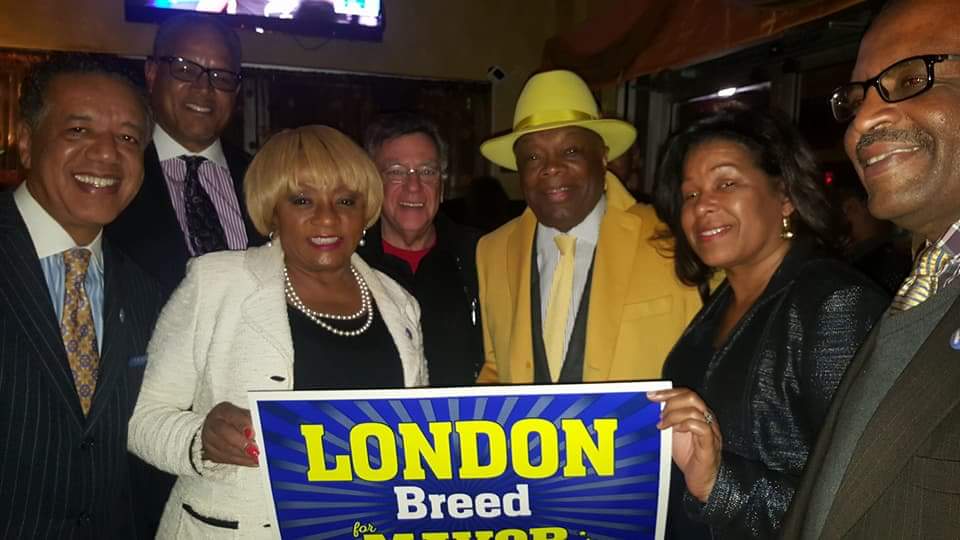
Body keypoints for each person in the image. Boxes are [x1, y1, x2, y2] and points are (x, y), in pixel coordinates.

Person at [129, 125, 427, 538]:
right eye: (302, 200)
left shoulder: (399, 302)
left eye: (345, 200)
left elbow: (417, 437)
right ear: (273, 210)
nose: (327, 217)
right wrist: (201, 439)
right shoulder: (216, 283)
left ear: (365, 212)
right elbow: (141, 418)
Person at [646, 108, 889, 539]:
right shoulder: (720, 305)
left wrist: (719, 485)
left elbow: (866, 497)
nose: (702, 205)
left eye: (726, 183)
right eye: (689, 194)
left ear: (785, 195)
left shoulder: (834, 303)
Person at [784, 1, 960, 537]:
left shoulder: (833, 297)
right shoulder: (926, 282)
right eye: (856, 99)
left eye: (910, 79)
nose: (861, 121)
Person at [0, 53, 161, 538]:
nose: (107, 154)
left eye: (128, 138)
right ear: (26, 141)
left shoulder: (146, 290)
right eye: (78, 130)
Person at [475, 69, 701, 384]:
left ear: (603, 156)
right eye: (533, 157)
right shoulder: (492, 251)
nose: (551, 168)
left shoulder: (671, 236)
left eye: (570, 151)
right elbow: (495, 370)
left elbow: (705, 357)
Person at [107, 13, 265, 300]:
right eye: (185, 69)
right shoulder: (111, 173)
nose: (204, 88)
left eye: (221, 76)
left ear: (236, 91)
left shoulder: (264, 178)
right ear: (152, 73)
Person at [358, 112, 483, 386]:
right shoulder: (347, 263)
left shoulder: (480, 257)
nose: (413, 186)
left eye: (427, 171)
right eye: (396, 172)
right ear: (373, 183)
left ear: (442, 185)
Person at [829, 169, 911, 295]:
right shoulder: (843, 261)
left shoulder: (892, 264)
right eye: (841, 212)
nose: (845, 219)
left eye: (850, 208)